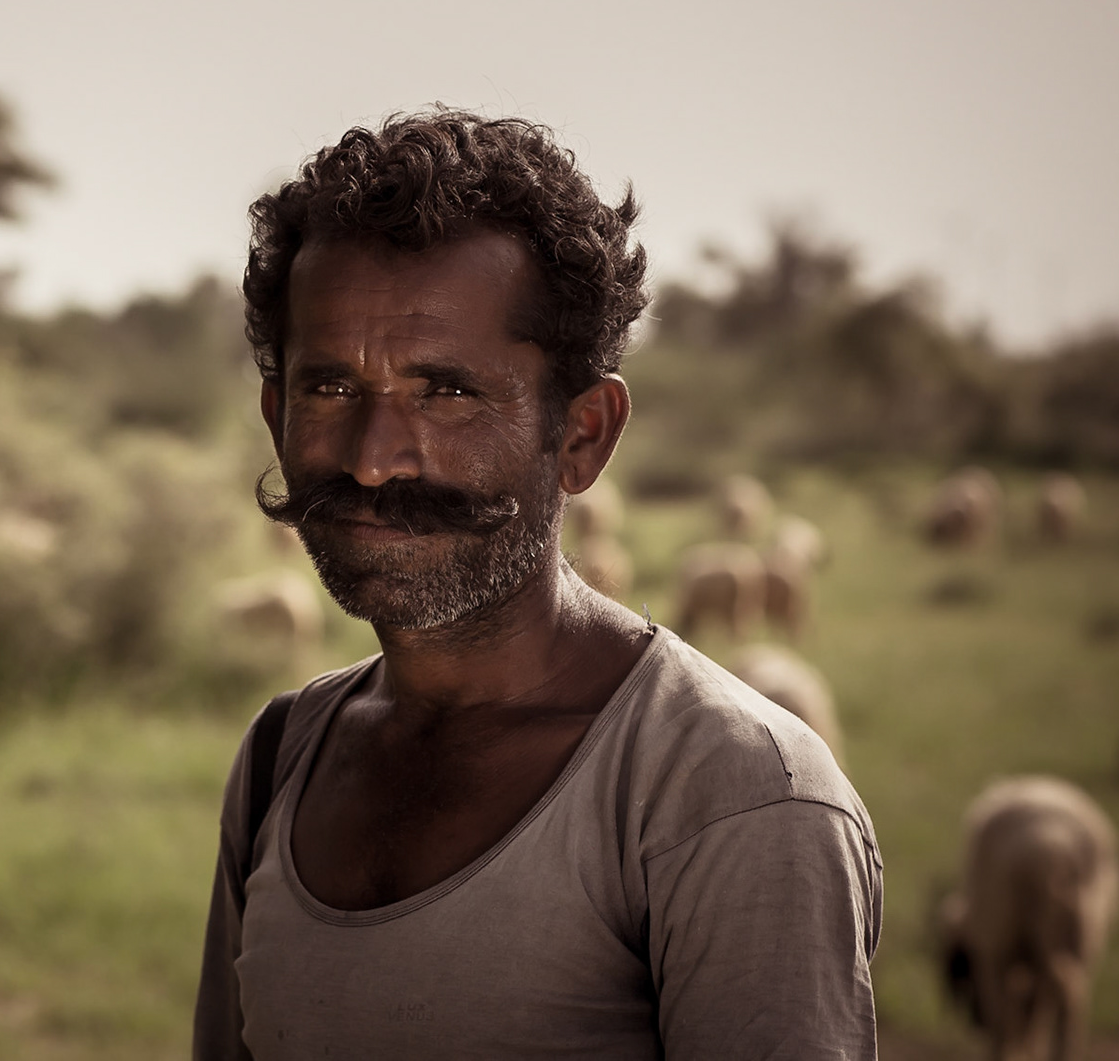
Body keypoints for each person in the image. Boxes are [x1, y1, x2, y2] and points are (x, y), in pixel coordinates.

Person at [192, 111, 881, 1060]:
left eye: (448, 391)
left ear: (583, 434)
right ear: (276, 417)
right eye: (332, 389)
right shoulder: (281, 758)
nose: (376, 459)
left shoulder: (731, 796)